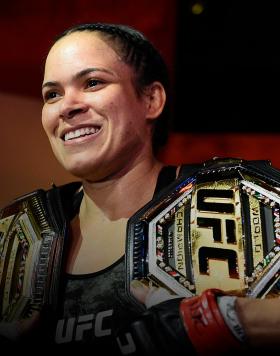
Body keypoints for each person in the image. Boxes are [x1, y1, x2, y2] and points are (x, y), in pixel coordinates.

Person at [0, 22, 280, 355]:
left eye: (92, 82)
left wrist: (224, 321)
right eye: (52, 94)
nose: (67, 106)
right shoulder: (11, 238)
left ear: (151, 99)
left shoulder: (241, 203)